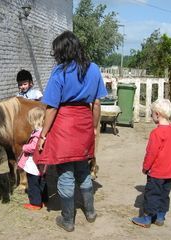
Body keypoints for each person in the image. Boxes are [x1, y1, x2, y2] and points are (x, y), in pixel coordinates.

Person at [33, 31, 108, 232]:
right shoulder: (93, 69)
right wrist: (93, 127)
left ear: (63, 51)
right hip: (84, 122)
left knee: (66, 173)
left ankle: (68, 220)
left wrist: (43, 134)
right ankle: (90, 212)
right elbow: (97, 102)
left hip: (64, 125)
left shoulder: (59, 72)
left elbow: (52, 107)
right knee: (83, 169)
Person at [132, 98, 171, 228]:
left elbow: (151, 153)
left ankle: (147, 218)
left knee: (152, 194)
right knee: (164, 195)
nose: (152, 115)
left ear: (157, 114)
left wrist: (145, 167)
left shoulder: (157, 133)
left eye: (152, 113)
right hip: (169, 172)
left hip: (156, 172)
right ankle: (160, 216)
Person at [17, 107, 48, 210]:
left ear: (34, 120)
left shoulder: (37, 134)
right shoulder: (44, 132)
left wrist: (24, 147)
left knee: (33, 183)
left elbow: (34, 147)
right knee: (42, 181)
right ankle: (43, 200)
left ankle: (35, 203)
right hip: (42, 163)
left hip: (33, 163)